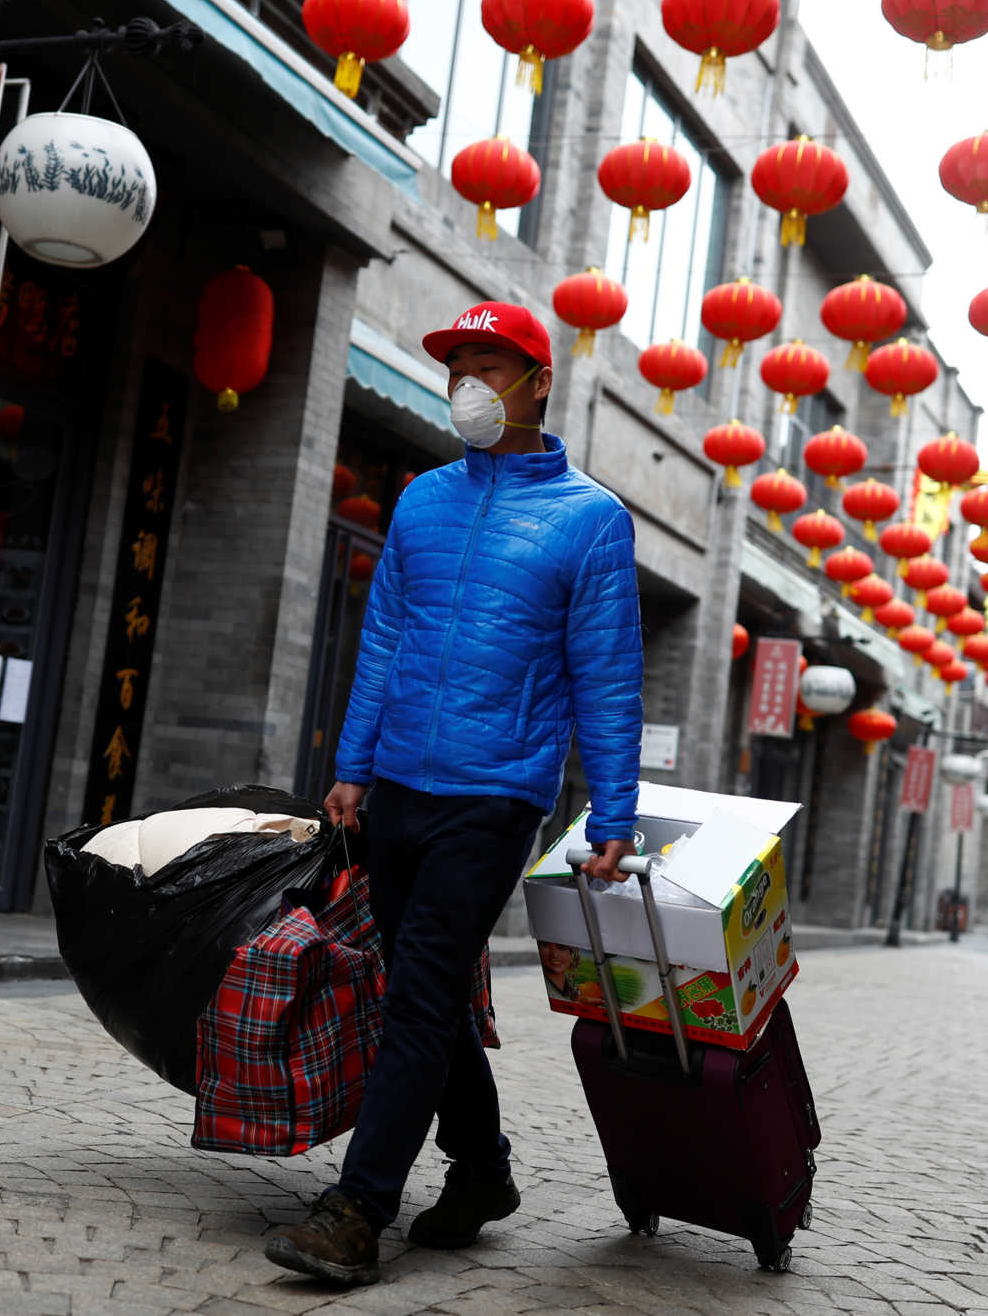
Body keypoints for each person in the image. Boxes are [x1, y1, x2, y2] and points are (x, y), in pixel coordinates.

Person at [263, 302, 642, 1286]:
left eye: (489, 366)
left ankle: (357, 1209)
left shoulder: (591, 519)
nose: (468, 385)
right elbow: (383, 636)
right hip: (398, 784)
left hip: (495, 794)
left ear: (539, 381)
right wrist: (353, 764)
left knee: (421, 992)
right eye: (456, 368)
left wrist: (614, 813)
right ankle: (481, 1171)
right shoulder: (422, 501)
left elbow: (606, 676)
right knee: (420, 991)